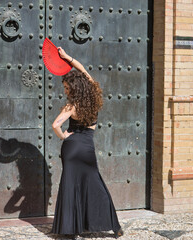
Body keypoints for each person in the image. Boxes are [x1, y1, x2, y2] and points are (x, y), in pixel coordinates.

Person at [50, 47, 123, 238]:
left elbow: (56, 124)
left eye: (67, 88)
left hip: (72, 147)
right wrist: (68, 57)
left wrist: (64, 136)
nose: (65, 91)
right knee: (95, 185)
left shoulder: (71, 105)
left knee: (70, 186)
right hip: (87, 148)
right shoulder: (93, 98)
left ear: (74, 89)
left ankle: (69, 230)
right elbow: (83, 71)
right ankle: (114, 226)